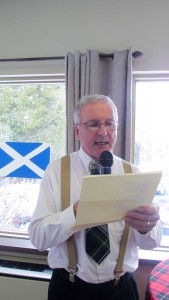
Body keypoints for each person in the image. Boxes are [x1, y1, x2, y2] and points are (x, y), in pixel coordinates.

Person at [28, 94, 162, 300]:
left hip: (121, 290)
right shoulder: (55, 171)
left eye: (109, 123)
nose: (103, 131)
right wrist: (74, 214)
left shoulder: (133, 173)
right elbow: (38, 238)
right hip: (68, 289)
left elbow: (151, 243)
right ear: (77, 131)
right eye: (93, 124)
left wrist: (148, 226)